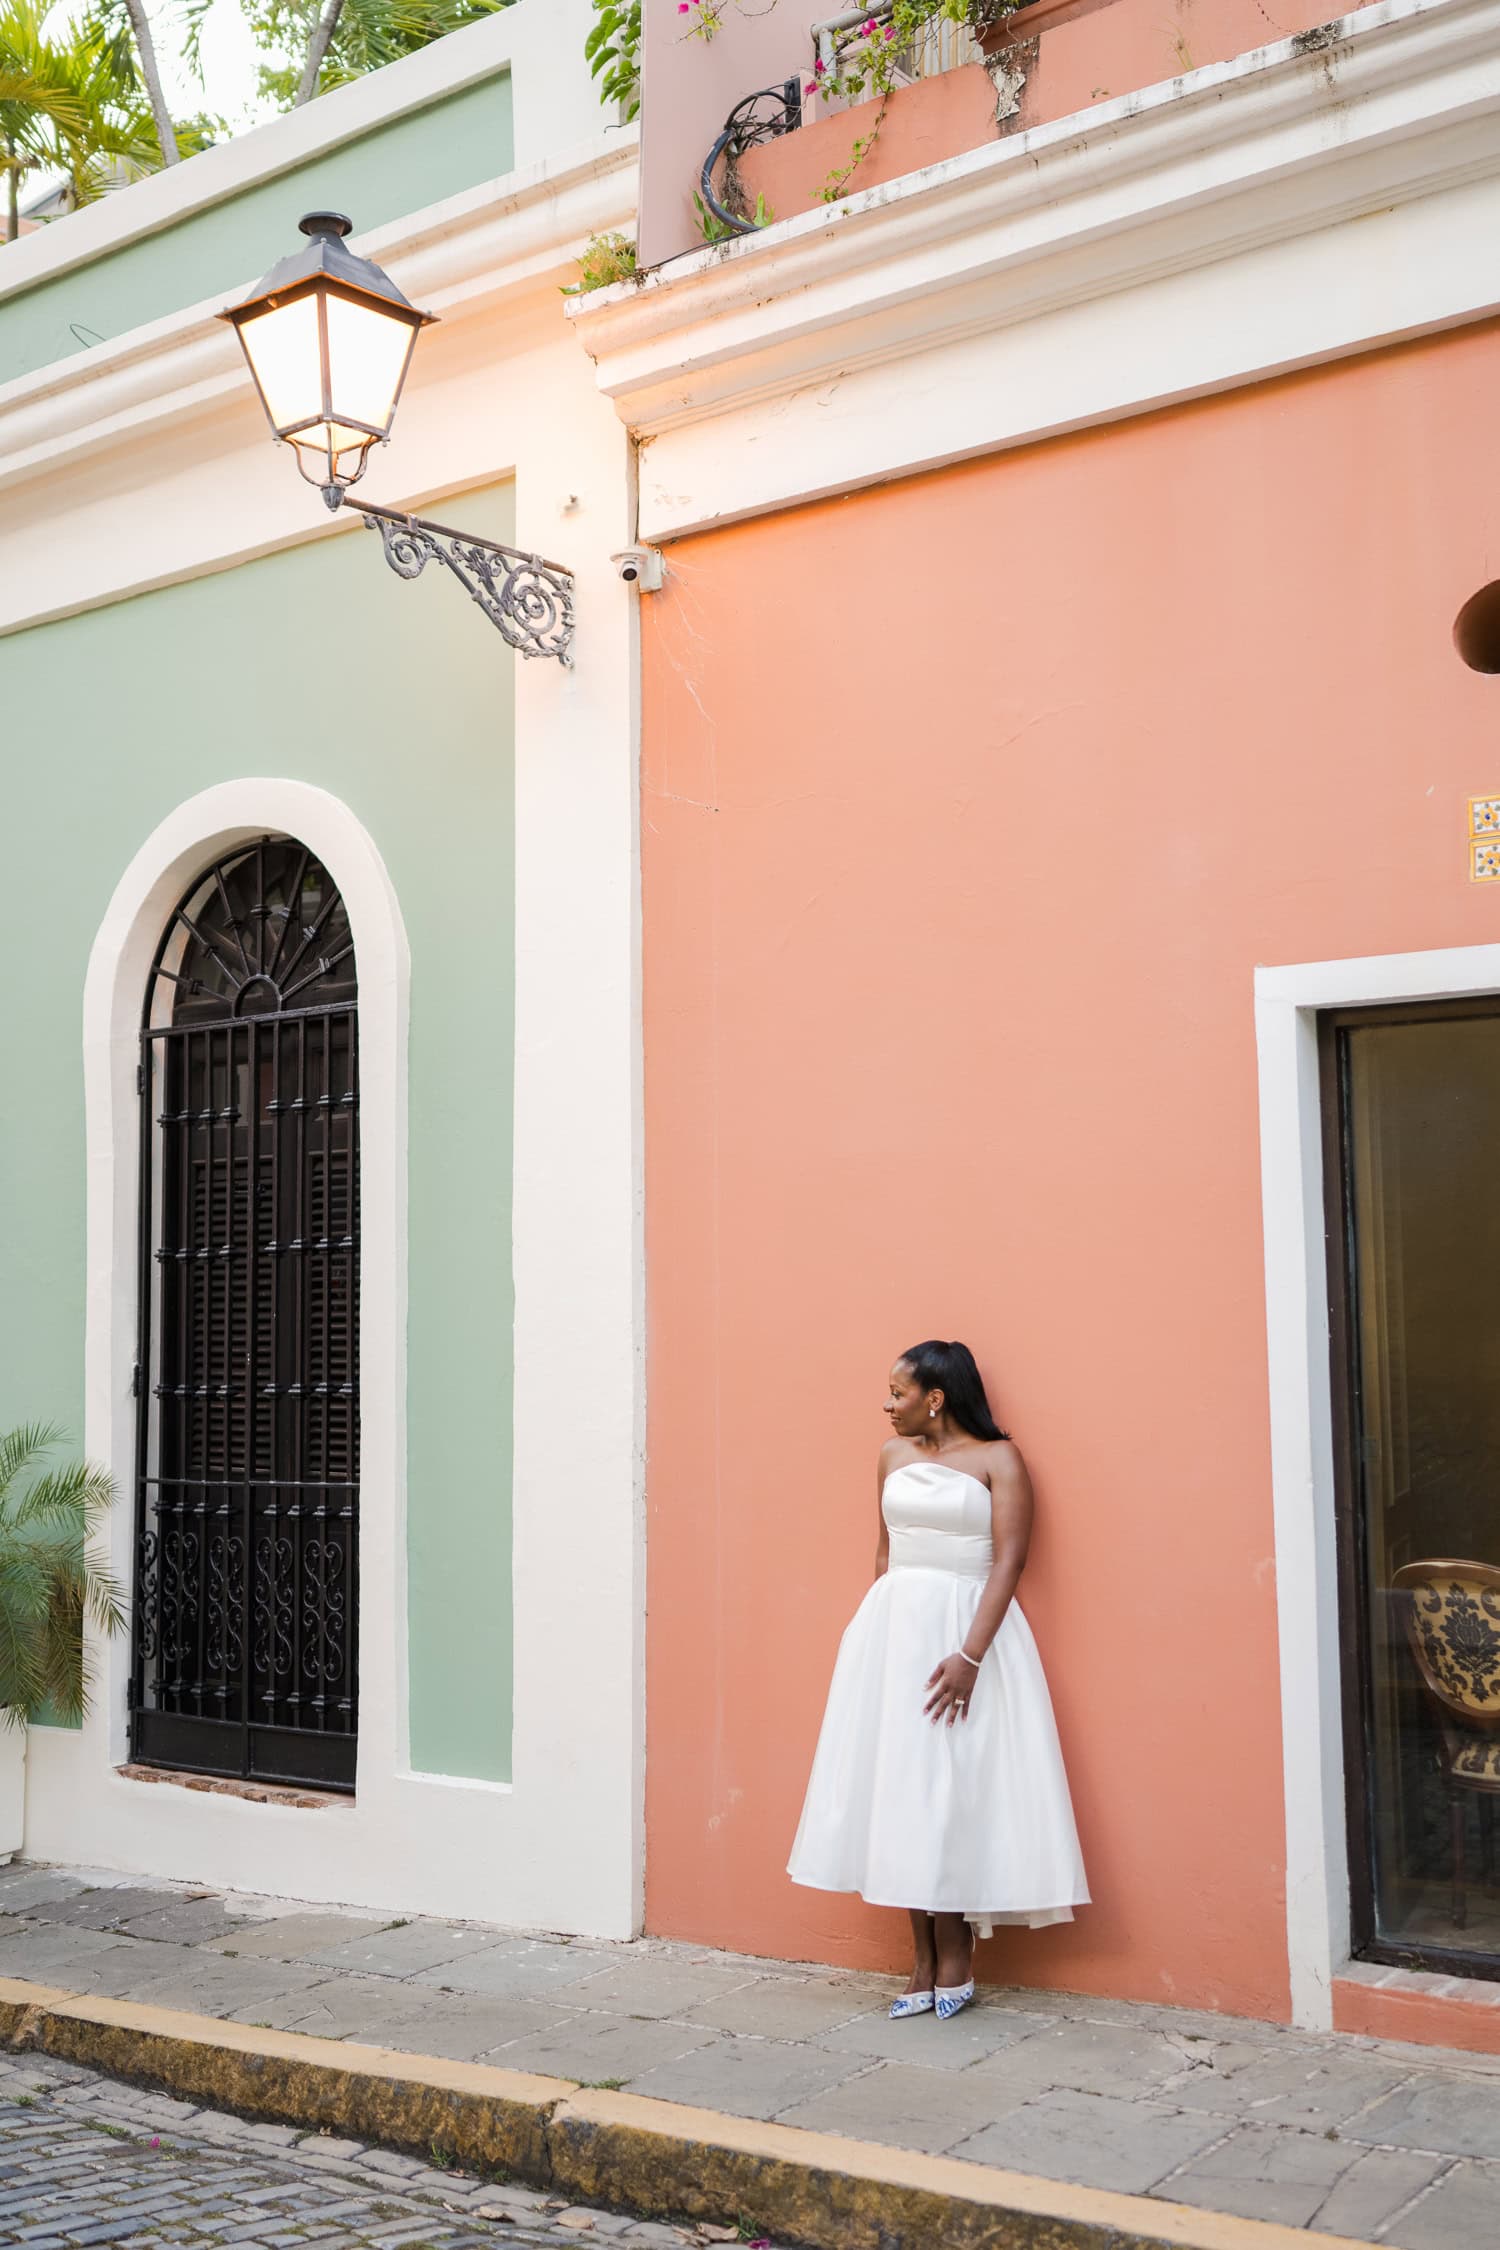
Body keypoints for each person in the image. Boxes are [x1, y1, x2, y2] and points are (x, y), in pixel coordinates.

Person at [787, 1340, 1088, 2020]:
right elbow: (886, 1552)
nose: (886, 1405)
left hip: (967, 1636)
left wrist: (970, 1657)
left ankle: (955, 1952)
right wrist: (874, 1645)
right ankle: (919, 1957)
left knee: (949, 1788)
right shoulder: (891, 1457)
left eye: (897, 1393)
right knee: (899, 1785)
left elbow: (1010, 1561)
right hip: (894, 1635)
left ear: (936, 1397)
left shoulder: (998, 1460)